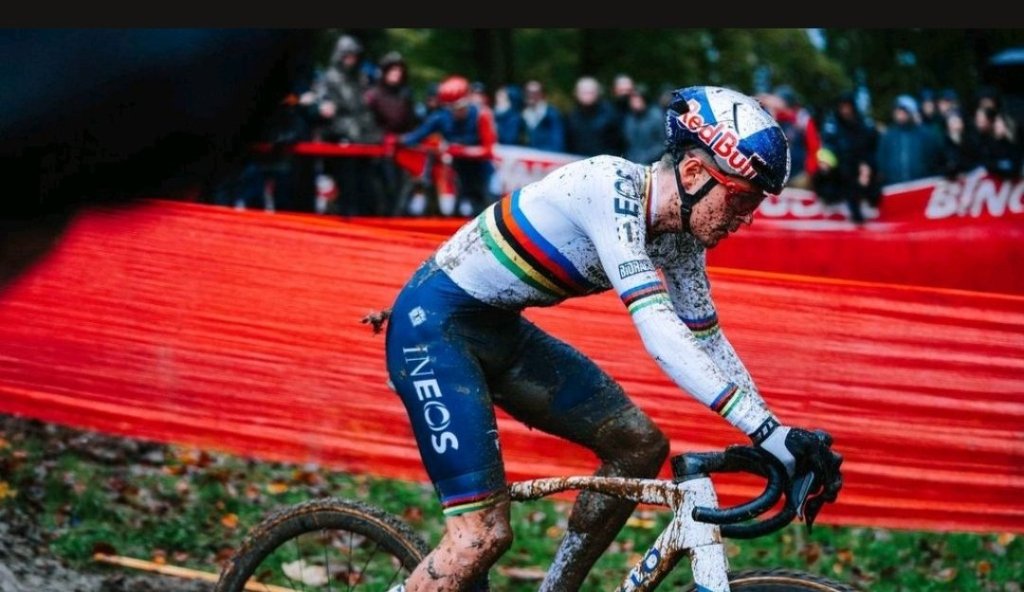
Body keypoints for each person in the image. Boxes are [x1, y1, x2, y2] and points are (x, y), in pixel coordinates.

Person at [376, 86, 843, 592]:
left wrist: (775, 431)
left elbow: (708, 341)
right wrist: (763, 430)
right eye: (743, 197)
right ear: (692, 174)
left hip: (497, 328)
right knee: (480, 537)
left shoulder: (681, 240)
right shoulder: (608, 187)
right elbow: (659, 330)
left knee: (638, 446)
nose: (748, 217)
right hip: (433, 328)